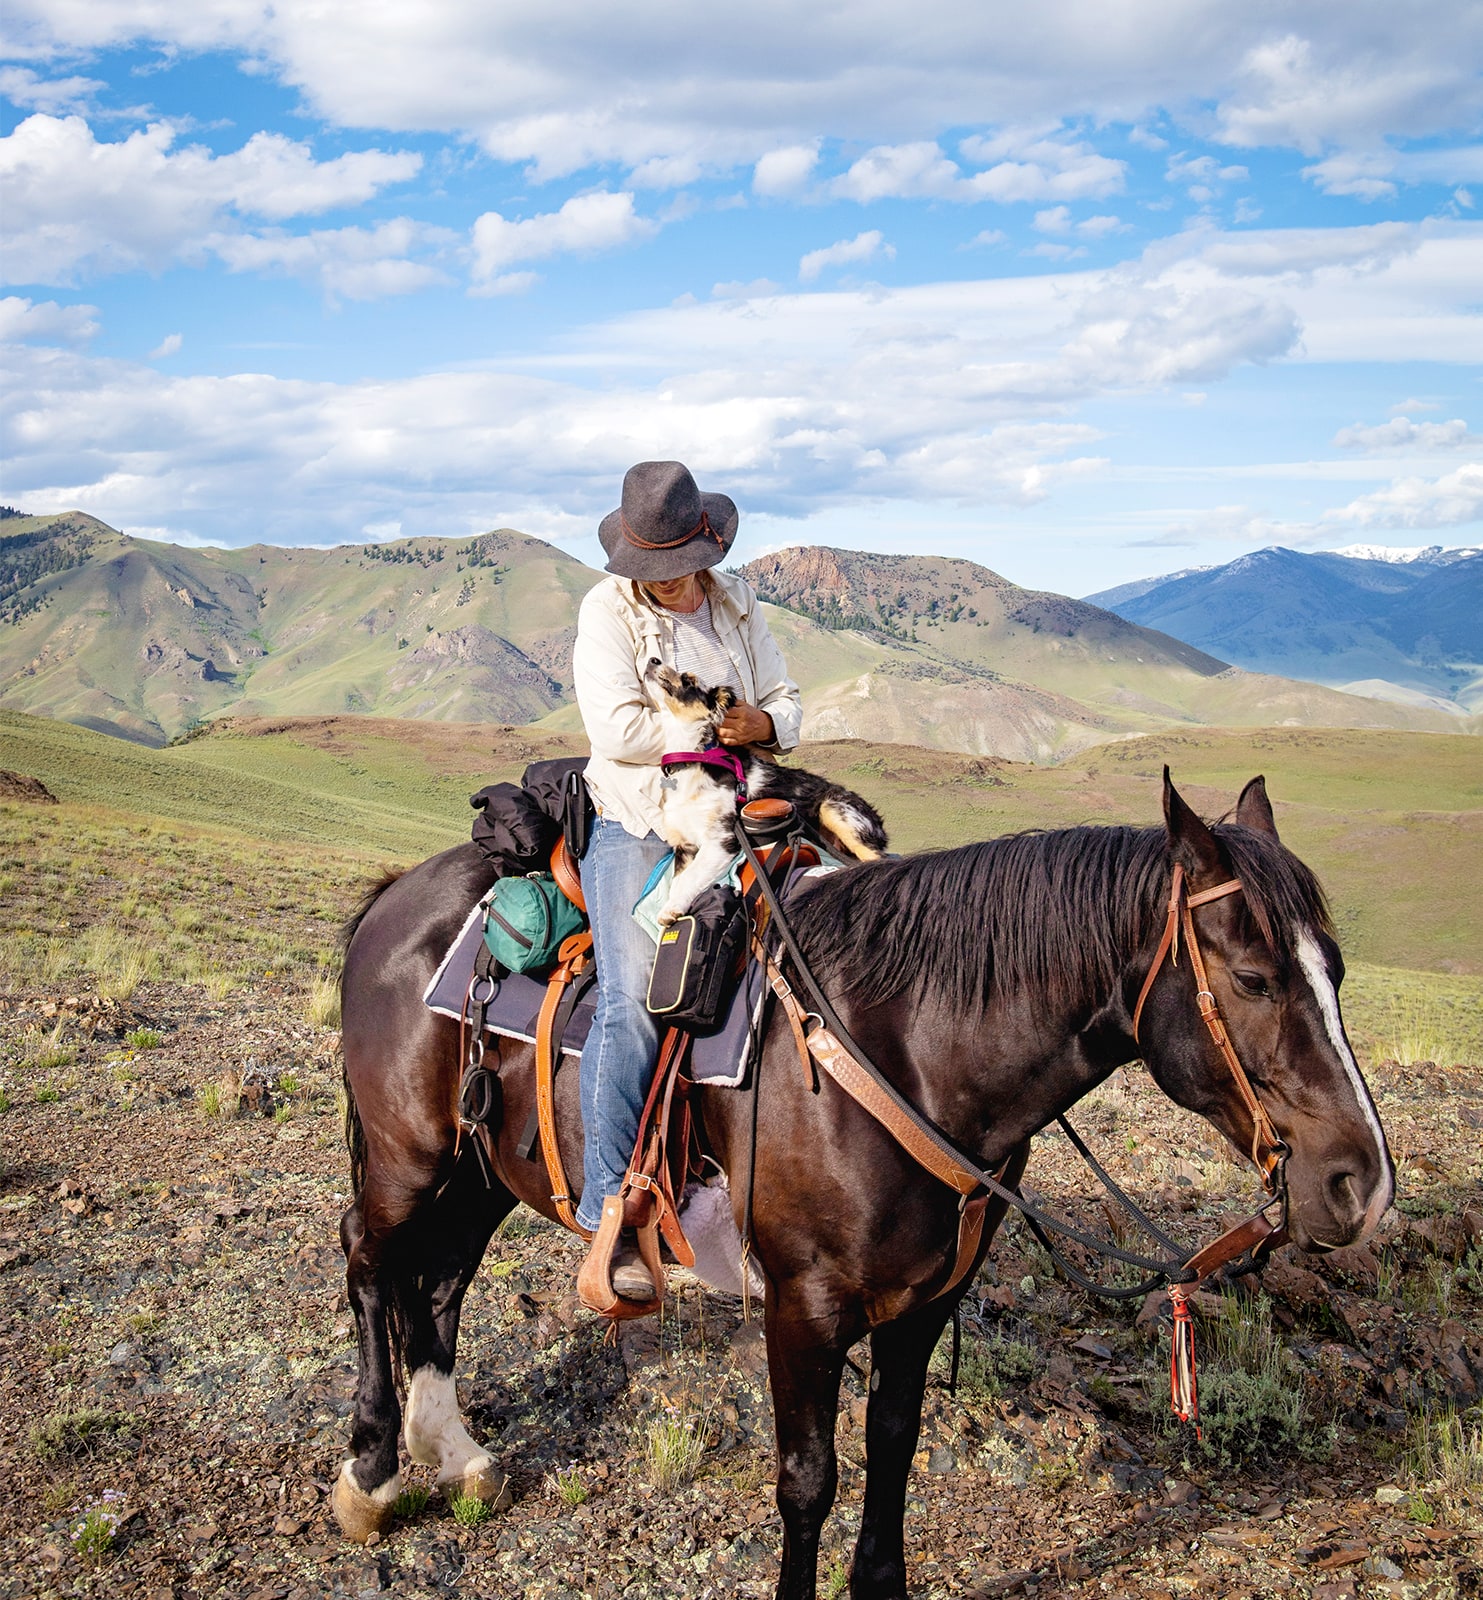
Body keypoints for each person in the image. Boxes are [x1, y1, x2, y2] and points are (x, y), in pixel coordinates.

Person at [571, 460, 802, 1299]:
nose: (664, 582)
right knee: (633, 999)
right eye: (651, 570)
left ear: (702, 548)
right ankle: (610, 1217)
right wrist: (716, 722)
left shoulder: (737, 602)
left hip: (742, 804)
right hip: (641, 815)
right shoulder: (608, 611)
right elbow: (619, 728)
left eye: (674, 566)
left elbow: (787, 701)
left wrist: (767, 722)